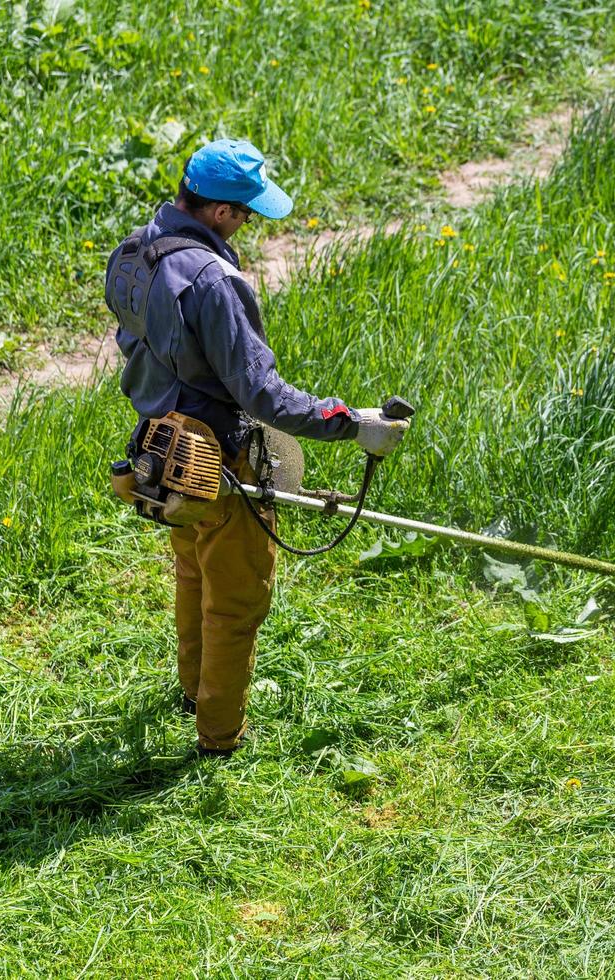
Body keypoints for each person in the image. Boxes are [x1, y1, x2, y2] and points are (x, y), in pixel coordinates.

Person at [103, 138, 407, 757]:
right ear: (220, 211)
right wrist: (352, 423)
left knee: (193, 569)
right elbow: (264, 395)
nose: (248, 223)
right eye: (245, 213)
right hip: (216, 458)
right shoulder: (213, 281)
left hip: (161, 451)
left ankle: (195, 688)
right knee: (237, 602)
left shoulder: (133, 250)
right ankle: (219, 739)